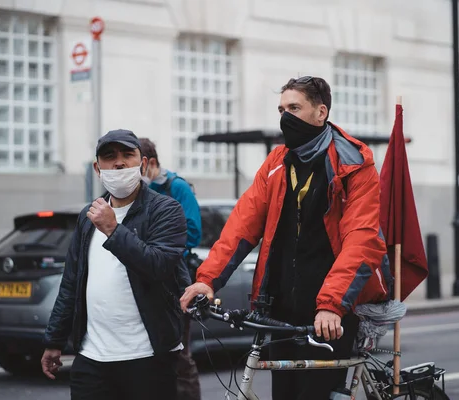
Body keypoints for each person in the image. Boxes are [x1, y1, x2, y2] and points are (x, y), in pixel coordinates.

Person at [180, 76, 390, 400]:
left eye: (294, 107)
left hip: (328, 314)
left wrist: (332, 305)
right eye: (281, 109)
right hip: (280, 311)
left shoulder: (353, 164)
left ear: (321, 113)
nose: (285, 117)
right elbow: (241, 225)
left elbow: (362, 240)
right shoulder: (277, 163)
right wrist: (208, 280)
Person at [41, 129, 188, 400]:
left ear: (142, 164)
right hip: (92, 358)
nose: (118, 163)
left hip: (148, 357)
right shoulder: (88, 217)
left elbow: (159, 266)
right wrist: (54, 341)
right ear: (98, 169)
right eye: (109, 157)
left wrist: (113, 230)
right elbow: (72, 282)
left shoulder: (165, 210)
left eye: (127, 155)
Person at [139, 137, 203, 400]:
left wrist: (157, 243)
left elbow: (194, 232)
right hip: (146, 278)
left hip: (173, 281)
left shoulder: (177, 188)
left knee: (179, 354)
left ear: (150, 163)